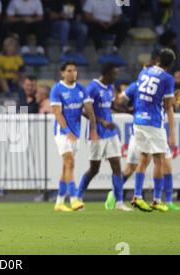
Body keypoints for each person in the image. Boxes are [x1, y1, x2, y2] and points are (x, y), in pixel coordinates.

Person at [118, 81, 180, 211]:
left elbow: (121, 99)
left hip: (150, 130)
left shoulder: (149, 88)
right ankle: (116, 193)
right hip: (150, 130)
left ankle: (165, 200)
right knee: (132, 167)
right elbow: (120, 100)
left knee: (165, 165)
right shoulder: (152, 86)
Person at [75, 63, 132, 211]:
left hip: (111, 133)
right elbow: (84, 111)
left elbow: (110, 105)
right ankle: (78, 196)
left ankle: (119, 202)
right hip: (97, 133)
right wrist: (102, 122)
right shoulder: (93, 88)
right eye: (114, 74)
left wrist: (129, 111)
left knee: (116, 166)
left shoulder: (109, 88)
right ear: (106, 74)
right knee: (94, 169)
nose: (116, 77)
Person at [126, 49, 177, 212]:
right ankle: (156, 199)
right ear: (170, 64)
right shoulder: (168, 78)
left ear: (158, 60)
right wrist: (172, 132)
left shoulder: (144, 72)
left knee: (143, 158)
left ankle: (137, 196)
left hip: (139, 120)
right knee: (159, 160)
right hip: (154, 122)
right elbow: (168, 107)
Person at [50, 61, 98, 212]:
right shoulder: (57, 89)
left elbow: (89, 110)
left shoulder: (81, 89)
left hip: (75, 133)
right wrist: (66, 131)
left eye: (75, 70)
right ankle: (74, 199)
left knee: (66, 167)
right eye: (69, 71)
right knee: (70, 162)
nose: (73, 73)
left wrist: (93, 128)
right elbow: (57, 112)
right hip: (62, 133)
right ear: (62, 73)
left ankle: (59, 202)